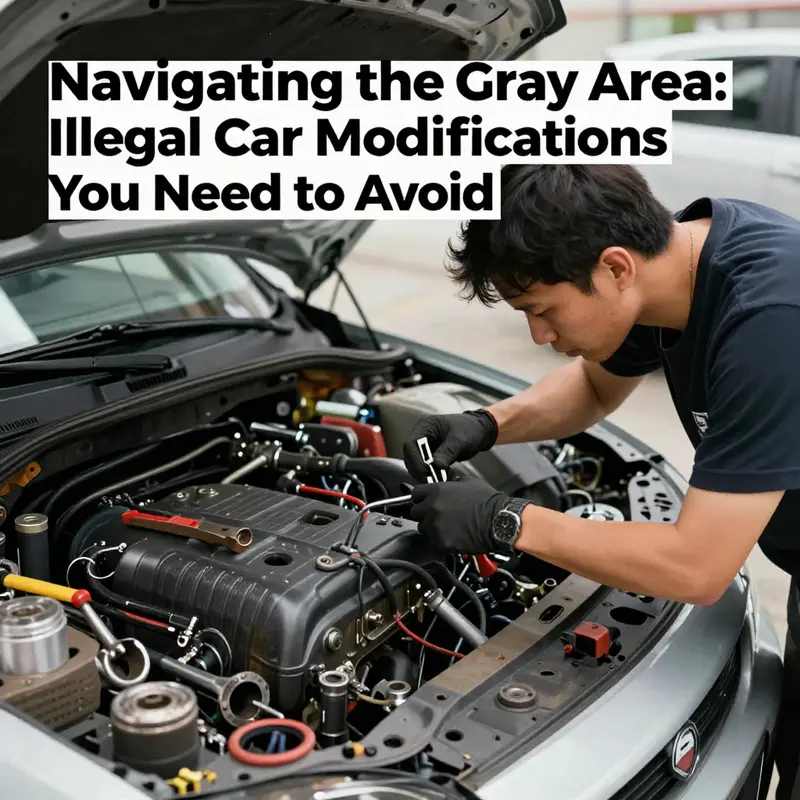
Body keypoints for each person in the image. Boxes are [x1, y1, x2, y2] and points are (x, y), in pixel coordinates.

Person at [400, 164, 800, 800]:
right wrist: (485, 424)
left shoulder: (769, 319)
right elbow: (592, 386)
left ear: (616, 267)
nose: (539, 335)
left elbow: (697, 567)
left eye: (542, 309)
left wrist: (506, 520)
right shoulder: (676, 263)